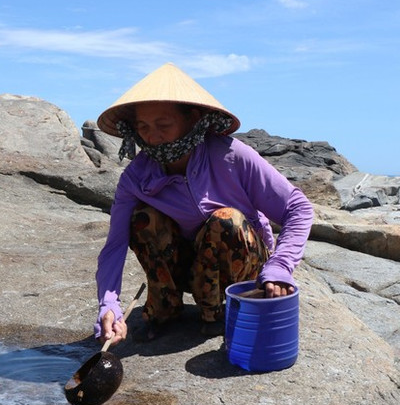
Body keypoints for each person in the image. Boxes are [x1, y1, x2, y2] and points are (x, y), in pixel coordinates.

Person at [93, 63, 313, 345]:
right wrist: (108, 304)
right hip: (187, 268)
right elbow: (115, 245)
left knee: (226, 220)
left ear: (193, 118)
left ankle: (218, 312)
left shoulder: (232, 156)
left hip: (241, 269)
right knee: (142, 217)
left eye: (163, 125)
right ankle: (166, 307)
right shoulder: (136, 176)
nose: (152, 136)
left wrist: (281, 267)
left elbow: (298, 207)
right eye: (143, 127)